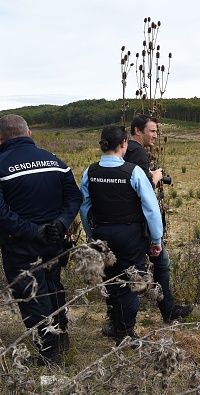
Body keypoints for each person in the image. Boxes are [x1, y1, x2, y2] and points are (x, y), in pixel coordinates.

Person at [0, 114, 82, 365]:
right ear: (29, 133)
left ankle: (50, 354)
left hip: (20, 244)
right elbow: (74, 198)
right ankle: (61, 337)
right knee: (54, 286)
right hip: (53, 240)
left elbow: (1, 212)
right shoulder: (55, 161)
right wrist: (59, 223)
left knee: (32, 295)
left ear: (1, 138)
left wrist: (33, 230)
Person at [79, 125, 163, 346]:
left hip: (102, 233)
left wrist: (91, 235)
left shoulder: (90, 172)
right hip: (130, 234)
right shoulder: (133, 171)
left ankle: (116, 325)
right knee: (130, 283)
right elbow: (151, 208)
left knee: (110, 281)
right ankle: (125, 334)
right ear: (124, 143)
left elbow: (85, 207)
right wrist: (156, 239)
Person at [116, 114, 193, 326]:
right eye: (152, 131)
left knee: (123, 271)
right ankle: (168, 311)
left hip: (122, 221)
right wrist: (154, 177)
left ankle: (117, 319)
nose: (156, 136)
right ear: (137, 131)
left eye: (157, 131)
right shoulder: (139, 154)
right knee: (161, 264)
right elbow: (143, 192)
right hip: (140, 223)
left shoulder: (122, 151)